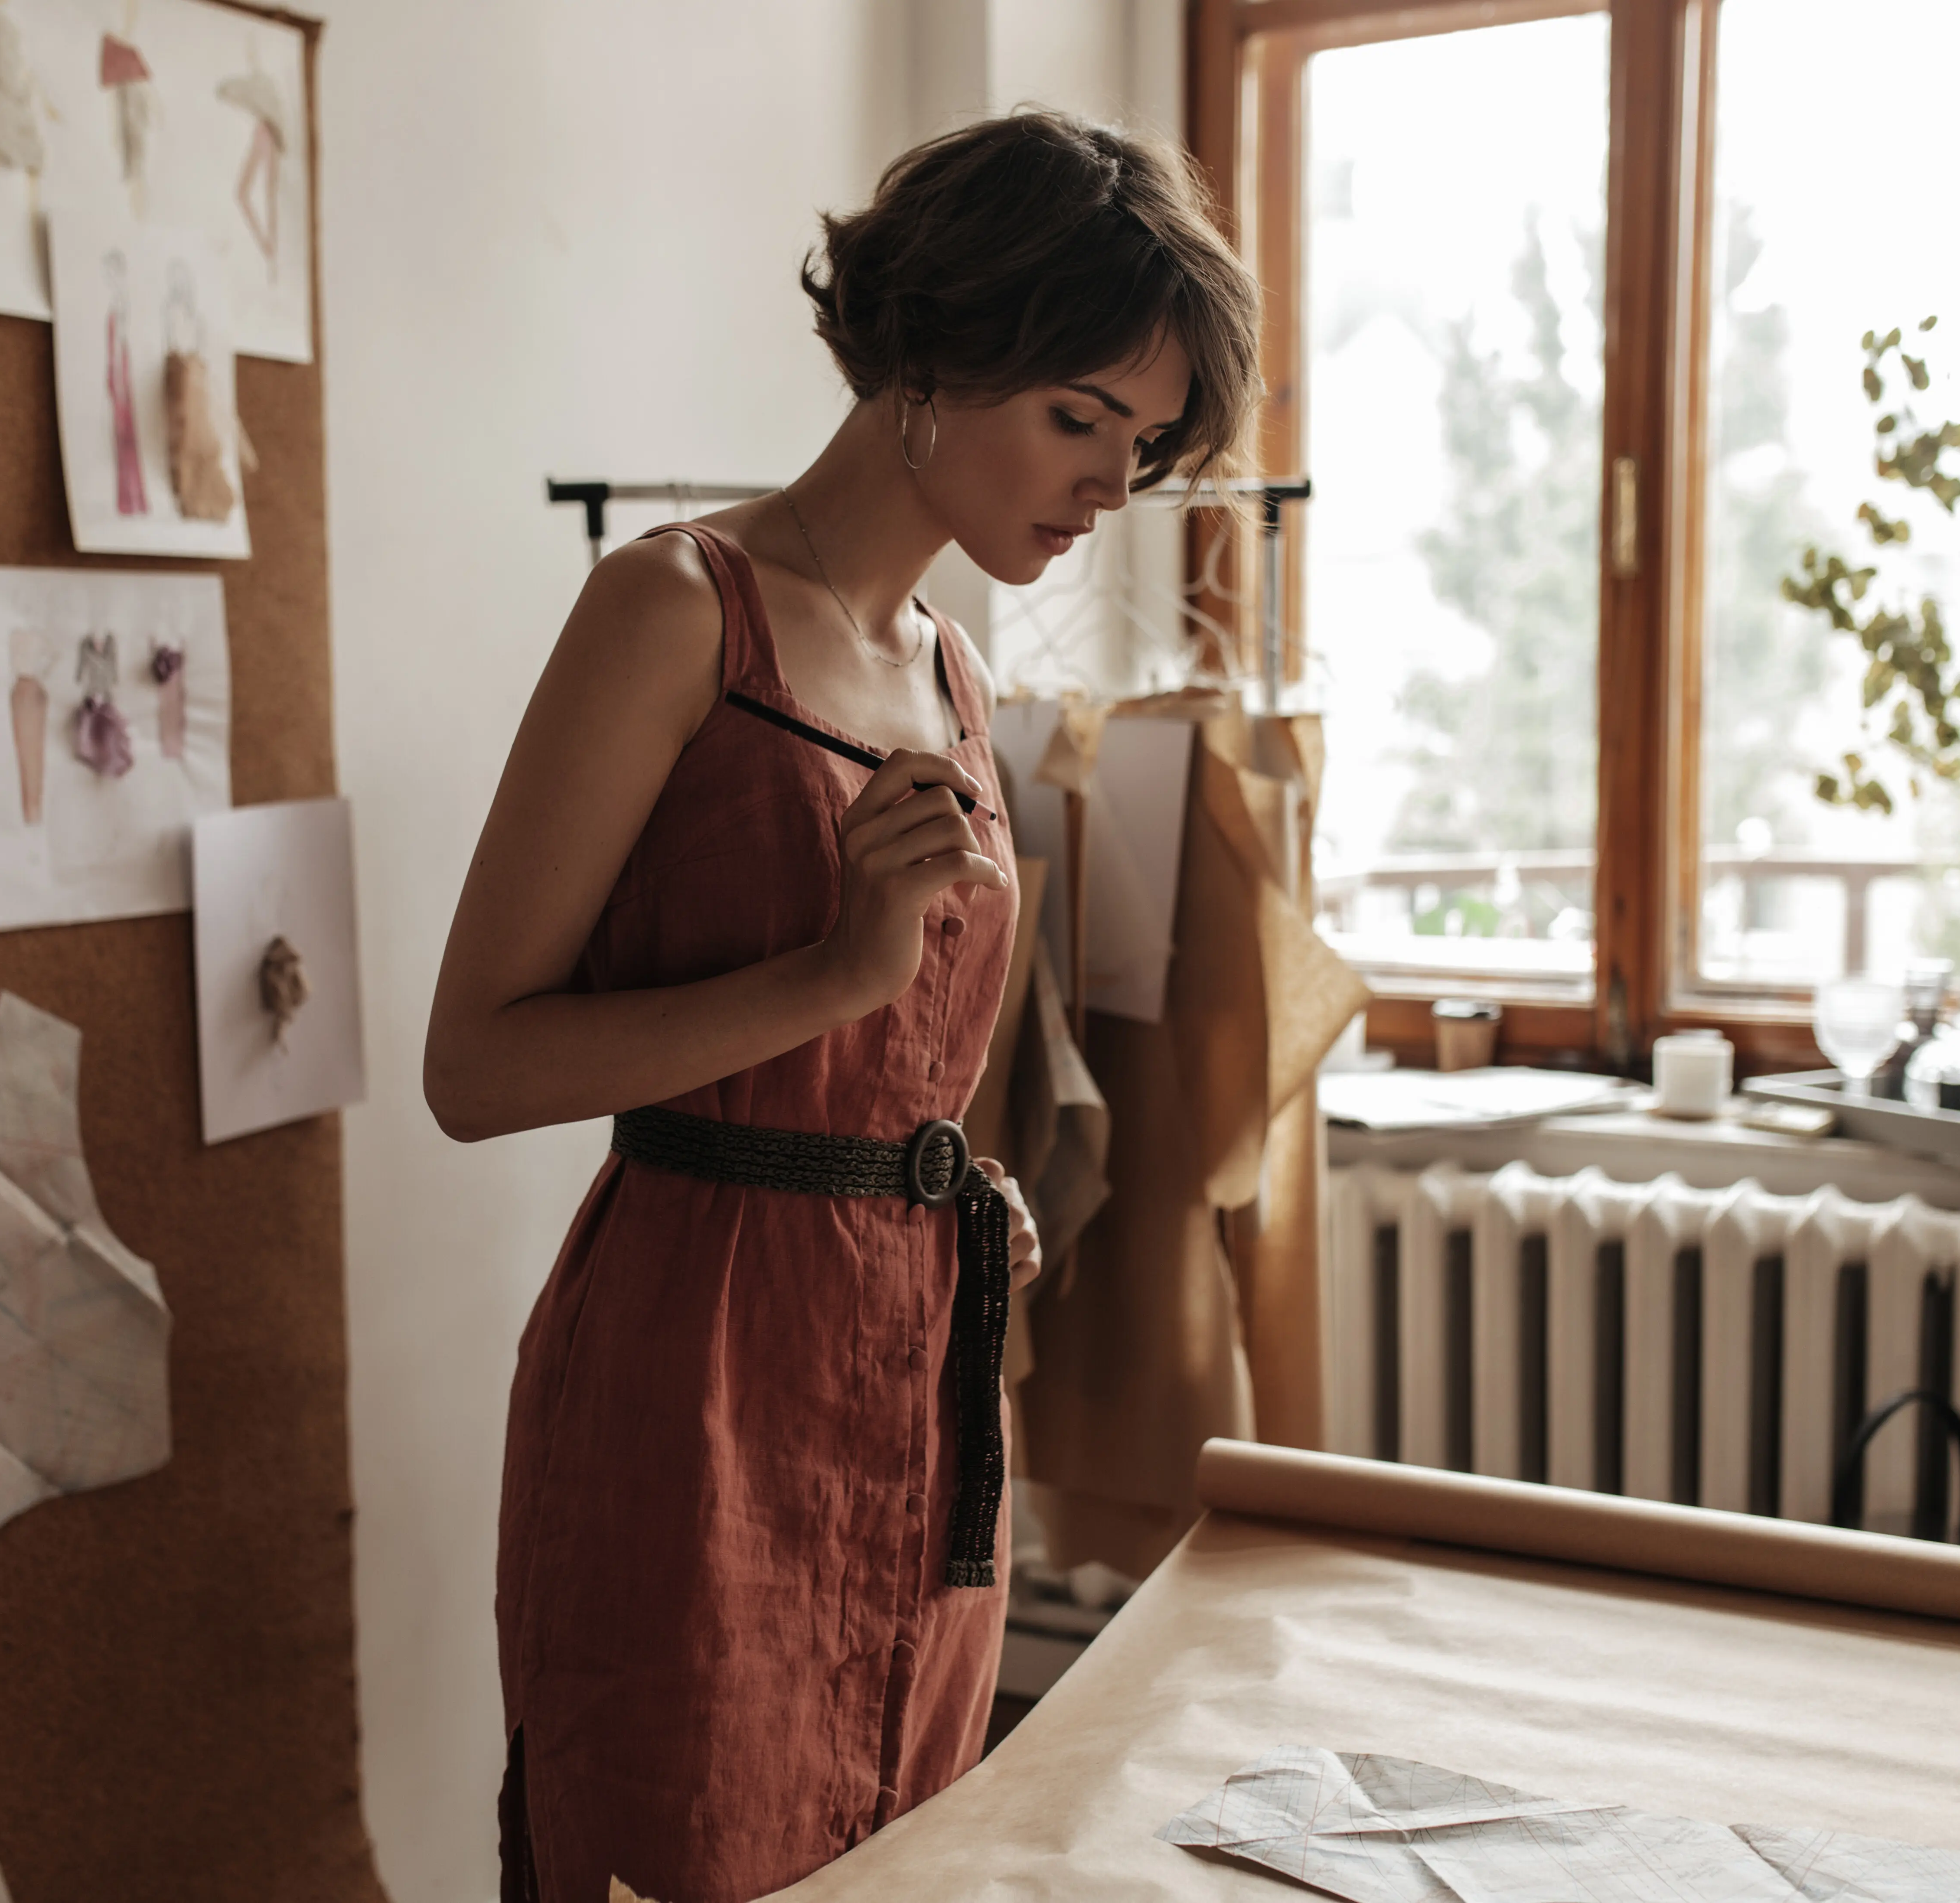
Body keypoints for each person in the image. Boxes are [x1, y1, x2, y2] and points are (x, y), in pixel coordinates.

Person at [425, 111, 1259, 1903]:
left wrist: (947, 1172)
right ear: (933, 356)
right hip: (696, 1385)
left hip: (927, 1375)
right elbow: (473, 1062)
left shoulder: (956, 666)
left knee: (908, 1855)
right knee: (677, 1846)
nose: (1112, 488)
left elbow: (895, 1050)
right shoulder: (672, 609)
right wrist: (826, 977)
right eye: (1076, 419)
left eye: (1143, 444)